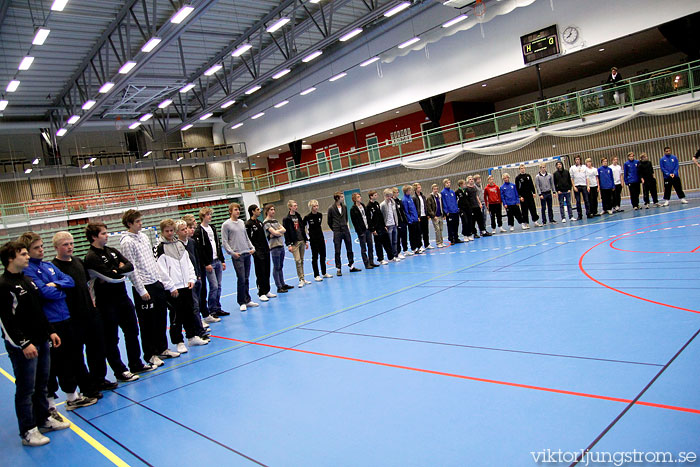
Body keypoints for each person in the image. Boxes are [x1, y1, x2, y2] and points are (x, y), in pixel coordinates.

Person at [18, 232, 99, 411]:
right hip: (50, 322)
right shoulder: (28, 271)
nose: (40, 250)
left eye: (41, 246)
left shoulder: (48, 266)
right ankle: (50, 405)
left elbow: (69, 281)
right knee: (53, 364)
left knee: (72, 358)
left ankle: (73, 396)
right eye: (35, 248)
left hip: (65, 318)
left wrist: (57, 286)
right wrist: (59, 289)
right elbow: (43, 293)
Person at [1, 241, 70, 447]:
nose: (27, 257)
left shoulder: (28, 281)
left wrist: (50, 331)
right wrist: (23, 343)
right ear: (11, 259)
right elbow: (6, 321)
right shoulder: (4, 285)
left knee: (42, 384)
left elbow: (38, 312)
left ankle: (44, 420)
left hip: (42, 340)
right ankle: (28, 431)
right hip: (24, 347)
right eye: (23, 254)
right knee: (25, 388)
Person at [84, 222, 155, 381]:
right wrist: (118, 271)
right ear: (94, 237)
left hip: (123, 298)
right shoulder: (91, 257)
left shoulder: (112, 251)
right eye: (103, 233)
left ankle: (136, 363)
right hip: (106, 303)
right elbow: (112, 277)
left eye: (106, 232)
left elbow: (130, 267)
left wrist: (118, 270)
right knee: (112, 338)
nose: (107, 235)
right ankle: (119, 370)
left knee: (132, 331)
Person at [51, 232, 116, 393]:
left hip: (90, 312)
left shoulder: (79, 262)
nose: (70, 247)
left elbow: (89, 283)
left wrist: (92, 301)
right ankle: (86, 387)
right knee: (77, 355)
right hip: (72, 317)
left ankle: (99, 379)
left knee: (97, 349)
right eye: (65, 244)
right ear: (56, 247)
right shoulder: (54, 267)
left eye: (71, 243)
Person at [119, 210, 180, 368]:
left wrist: (160, 281)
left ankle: (162, 348)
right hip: (144, 287)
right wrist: (141, 290)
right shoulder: (126, 242)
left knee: (161, 318)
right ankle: (150, 354)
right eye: (137, 221)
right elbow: (131, 269)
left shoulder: (144, 237)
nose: (141, 223)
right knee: (148, 323)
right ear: (130, 223)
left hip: (155, 282)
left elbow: (152, 261)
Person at [155, 219, 207, 353]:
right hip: (173, 288)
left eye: (172, 230)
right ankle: (178, 341)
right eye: (167, 231)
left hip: (186, 285)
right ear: (162, 232)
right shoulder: (160, 247)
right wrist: (171, 287)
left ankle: (191, 336)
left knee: (189, 312)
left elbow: (188, 263)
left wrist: (191, 278)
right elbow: (161, 270)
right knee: (176, 315)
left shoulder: (180, 244)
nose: (170, 233)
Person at [222, 203, 258, 311]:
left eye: (239, 210)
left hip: (247, 253)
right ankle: (241, 301)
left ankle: (247, 299)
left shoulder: (242, 222)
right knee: (241, 278)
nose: (238, 211)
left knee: (246, 278)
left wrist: (252, 247)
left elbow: (246, 237)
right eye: (236, 210)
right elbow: (224, 241)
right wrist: (232, 253)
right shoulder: (226, 225)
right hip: (237, 255)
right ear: (230, 211)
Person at [193, 207, 228, 319]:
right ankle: (212, 308)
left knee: (219, 285)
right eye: (208, 214)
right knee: (214, 285)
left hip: (217, 259)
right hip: (209, 262)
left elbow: (217, 244)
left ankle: (217, 307)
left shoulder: (212, 228)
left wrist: (222, 260)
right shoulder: (199, 230)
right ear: (203, 216)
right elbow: (200, 249)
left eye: (210, 214)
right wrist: (206, 263)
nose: (210, 216)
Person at [180, 215, 211, 333]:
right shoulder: (179, 245)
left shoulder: (192, 242)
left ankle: (199, 324)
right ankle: (197, 329)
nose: (192, 229)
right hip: (188, 279)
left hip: (196, 275)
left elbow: (196, 259)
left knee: (198, 300)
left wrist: (197, 274)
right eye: (189, 227)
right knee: (193, 304)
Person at [246, 205, 276, 299]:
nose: (259, 211)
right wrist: (253, 250)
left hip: (265, 249)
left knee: (267, 270)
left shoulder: (260, 223)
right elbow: (248, 239)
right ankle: (261, 293)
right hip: (257, 251)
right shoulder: (248, 224)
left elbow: (263, 236)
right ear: (252, 211)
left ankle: (267, 290)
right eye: (257, 210)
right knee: (260, 272)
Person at [327, 193, 361, 275]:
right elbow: (329, 221)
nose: (343, 198)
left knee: (349, 248)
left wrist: (344, 225)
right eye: (341, 197)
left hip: (345, 230)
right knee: (337, 250)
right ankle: (338, 268)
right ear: (337, 198)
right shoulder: (331, 208)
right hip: (337, 231)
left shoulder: (344, 207)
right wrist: (335, 229)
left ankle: (351, 265)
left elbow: (345, 218)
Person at [263, 205, 292, 293]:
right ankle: (279, 286)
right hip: (274, 246)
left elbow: (284, 229)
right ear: (267, 211)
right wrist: (278, 232)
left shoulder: (275, 221)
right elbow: (274, 232)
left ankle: (283, 283)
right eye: (271, 210)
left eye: (274, 209)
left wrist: (277, 233)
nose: (273, 211)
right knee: (276, 267)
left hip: (280, 245)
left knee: (281, 266)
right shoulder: (266, 222)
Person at [303, 200, 333, 281]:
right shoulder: (307, 217)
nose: (316, 207)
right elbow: (303, 228)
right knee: (315, 257)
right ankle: (316, 275)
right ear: (311, 207)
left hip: (321, 238)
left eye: (317, 206)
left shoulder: (320, 215)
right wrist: (307, 237)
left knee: (323, 256)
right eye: (314, 206)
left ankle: (324, 273)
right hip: (313, 239)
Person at [284, 200, 312, 285]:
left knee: (302, 260)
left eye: (296, 205)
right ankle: (300, 279)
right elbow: (286, 232)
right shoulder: (287, 219)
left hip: (302, 240)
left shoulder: (298, 216)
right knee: (298, 260)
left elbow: (302, 228)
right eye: (294, 205)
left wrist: (306, 240)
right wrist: (289, 244)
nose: (296, 207)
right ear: (290, 207)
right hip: (294, 242)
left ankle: (303, 278)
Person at [350, 192, 378, 269]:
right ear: (354, 199)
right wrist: (359, 232)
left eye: (360, 196)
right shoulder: (353, 209)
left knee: (370, 246)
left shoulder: (363, 206)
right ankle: (366, 263)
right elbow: (354, 222)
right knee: (363, 248)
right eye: (358, 197)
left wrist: (371, 228)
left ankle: (371, 261)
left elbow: (368, 217)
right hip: (361, 231)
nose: (360, 198)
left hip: (368, 229)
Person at [367, 190, 396, 263]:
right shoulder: (368, 206)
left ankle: (391, 257)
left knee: (387, 242)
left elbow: (380, 216)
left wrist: (384, 225)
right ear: (371, 197)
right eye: (375, 195)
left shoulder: (377, 204)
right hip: (376, 229)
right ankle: (381, 259)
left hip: (382, 227)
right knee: (378, 244)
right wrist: (373, 230)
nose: (377, 196)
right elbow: (369, 219)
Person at [380, 188, 401, 259]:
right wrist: (384, 225)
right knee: (390, 242)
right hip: (388, 225)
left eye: (390, 196)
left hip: (394, 224)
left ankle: (395, 255)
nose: (389, 197)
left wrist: (396, 222)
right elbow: (381, 216)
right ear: (385, 196)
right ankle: (391, 256)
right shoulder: (382, 205)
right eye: (388, 196)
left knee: (395, 241)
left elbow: (395, 213)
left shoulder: (393, 202)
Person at [402, 185, 422, 254]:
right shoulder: (404, 200)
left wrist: (417, 217)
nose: (410, 191)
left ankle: (419, 247)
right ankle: (413, 248)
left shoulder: (410, 198)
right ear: (406, 191)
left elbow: (414, 209)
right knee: (412, 235)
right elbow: (406, 211)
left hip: (416, 219)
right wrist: (410, 220)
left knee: (418, 234)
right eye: (409, 190)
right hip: (411, 221)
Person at [441, 178, 461, 244]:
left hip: (455, 211)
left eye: (449, 182)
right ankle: (451, 238)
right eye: (447, 183)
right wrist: (446, 211)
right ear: (444, 184)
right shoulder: (443, 192)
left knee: (456, 224)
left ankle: (456, 237)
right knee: (450, 226)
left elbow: (455, 201)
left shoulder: (452, 192)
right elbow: (444, 202)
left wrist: (457, 209)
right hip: (449, 212)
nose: (448, 184)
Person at [569, 155, 590, 220]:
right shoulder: (572, 168)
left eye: (578, 159)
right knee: (578, 201)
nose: (577, 161)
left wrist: (588, 186)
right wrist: (574, 186)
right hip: (577, 186)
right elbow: (571, 178)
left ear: (580, 160)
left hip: (584, 185)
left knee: (586, 200)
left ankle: (588, 213)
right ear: (575, 161)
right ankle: (579, 215)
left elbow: (587, 177)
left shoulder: (584, 167)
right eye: (576, 159)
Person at [412, 182, 431, 250]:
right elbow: (414, 208)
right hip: (419, 217)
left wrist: (427, 214)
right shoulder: (414, 198)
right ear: (415, 189)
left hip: (425, 216)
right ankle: (420, 245)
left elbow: (425, 206)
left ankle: (427, 244)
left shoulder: (423, 196)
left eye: (420, 187)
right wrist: (417, 216)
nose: (420, 188)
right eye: (418, 187)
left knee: (426, 231)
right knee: (419, 232)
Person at [392, 187, 411, 256]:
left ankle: (405, 250)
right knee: (398, 237)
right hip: (397, 223)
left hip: (403, 222)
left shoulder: (399, 201)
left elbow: (402, 211)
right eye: (396, 192)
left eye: (398, 192)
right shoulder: (392, 202)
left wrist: (405, 220)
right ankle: (398, 252)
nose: (398, 193)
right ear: (393, 193)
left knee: (404, 236)